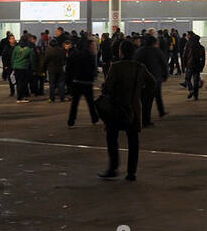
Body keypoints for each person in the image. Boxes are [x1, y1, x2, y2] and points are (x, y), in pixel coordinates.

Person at [99, 39, 152, 182]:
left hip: (116, 108)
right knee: (133, 140)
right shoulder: (140, 67)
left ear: (121, 52)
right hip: (133, 108)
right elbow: (151, 83)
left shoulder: (116, 66)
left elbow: (107, 87)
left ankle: (113, 167)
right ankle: (131, 172)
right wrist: (140, 95)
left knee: (112, 137)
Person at [64, 37, 100, 126]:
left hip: (76, 82)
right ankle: (94, 118)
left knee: (75, 103)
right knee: (90, 102)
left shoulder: (73, 55)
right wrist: (93, 76)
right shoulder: (90, 55)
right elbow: (93, 69)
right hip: (87, 82)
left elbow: (69, 69)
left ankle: (71, 120)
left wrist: (69, 82)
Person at [133, 34, 169, 123]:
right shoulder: (157, 51)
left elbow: (134, 64)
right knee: (151, 99)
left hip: (142, 79)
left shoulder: (139, 51)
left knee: (142, 99)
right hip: (155, 78)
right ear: (154, 43)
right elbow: (164, 64)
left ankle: (140, 118)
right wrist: (165, 75)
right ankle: (147, 119)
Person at [12, 34, 36, 103]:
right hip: (24, 68)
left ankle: (19, 97)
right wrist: (34, 69)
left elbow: (13, 58)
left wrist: (13, 66)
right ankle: (20, 98)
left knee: (18, 83)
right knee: (23, 83)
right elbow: (32, 60)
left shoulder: (16, 48)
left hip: (16, 67)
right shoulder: (29, 50)